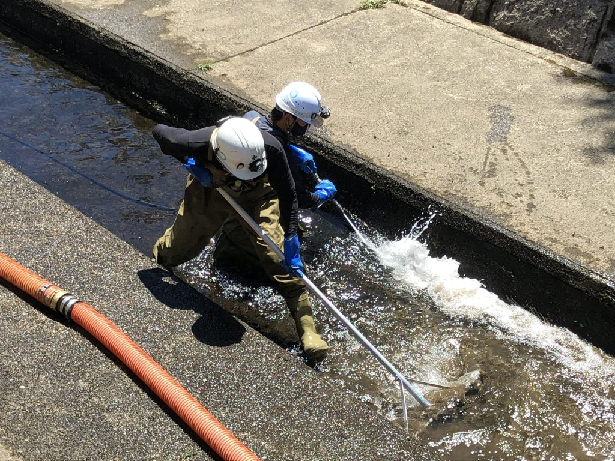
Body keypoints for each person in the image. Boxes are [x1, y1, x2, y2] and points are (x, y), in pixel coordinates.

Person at [151, 116, 329, 362]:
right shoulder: (192, 141)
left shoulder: (272, 148)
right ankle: (157, 259)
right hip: (213, 188)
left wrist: (290, 237)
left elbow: (289, 195)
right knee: (180, 246)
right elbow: (159, 131)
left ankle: (308, 331)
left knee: (277, 255)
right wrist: (189, 161)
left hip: (259, 195)